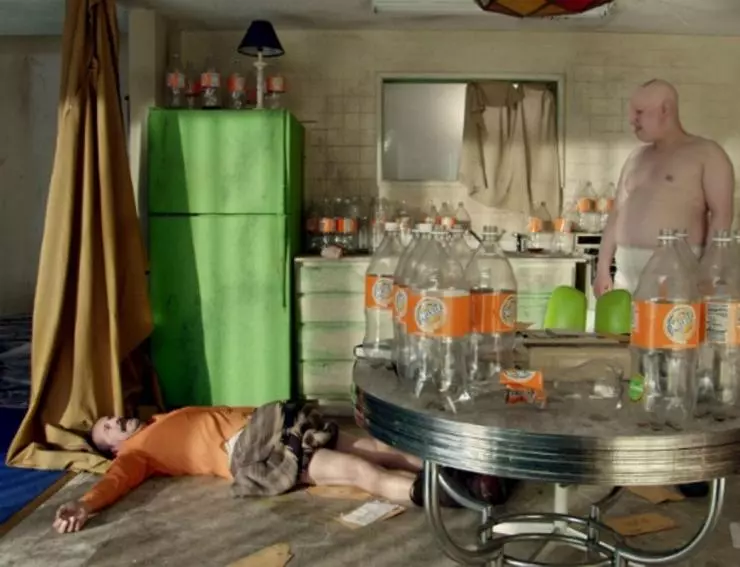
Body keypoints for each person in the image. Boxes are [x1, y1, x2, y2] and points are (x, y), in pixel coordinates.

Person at [53, 402, 512, 533]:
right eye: (109, 428)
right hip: (258, 451)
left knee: (375, 446)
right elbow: (115, 483)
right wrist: (85, 504)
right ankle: (462, 494)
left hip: (273, 423)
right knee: (360, 473)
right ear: (113, 448)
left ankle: (466, 470)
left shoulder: (161, 418)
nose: (117, 420)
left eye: (112, 417)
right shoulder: (135, 456)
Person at [594, 79, 734, 296]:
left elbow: (722, 215)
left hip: (676, 273)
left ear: (665, 110)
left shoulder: (707, 153)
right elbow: (616, 214)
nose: (631, 120)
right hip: (624, 274)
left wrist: (709, 273)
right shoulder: (636, 157)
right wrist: (602, 268)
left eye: (639, 112)